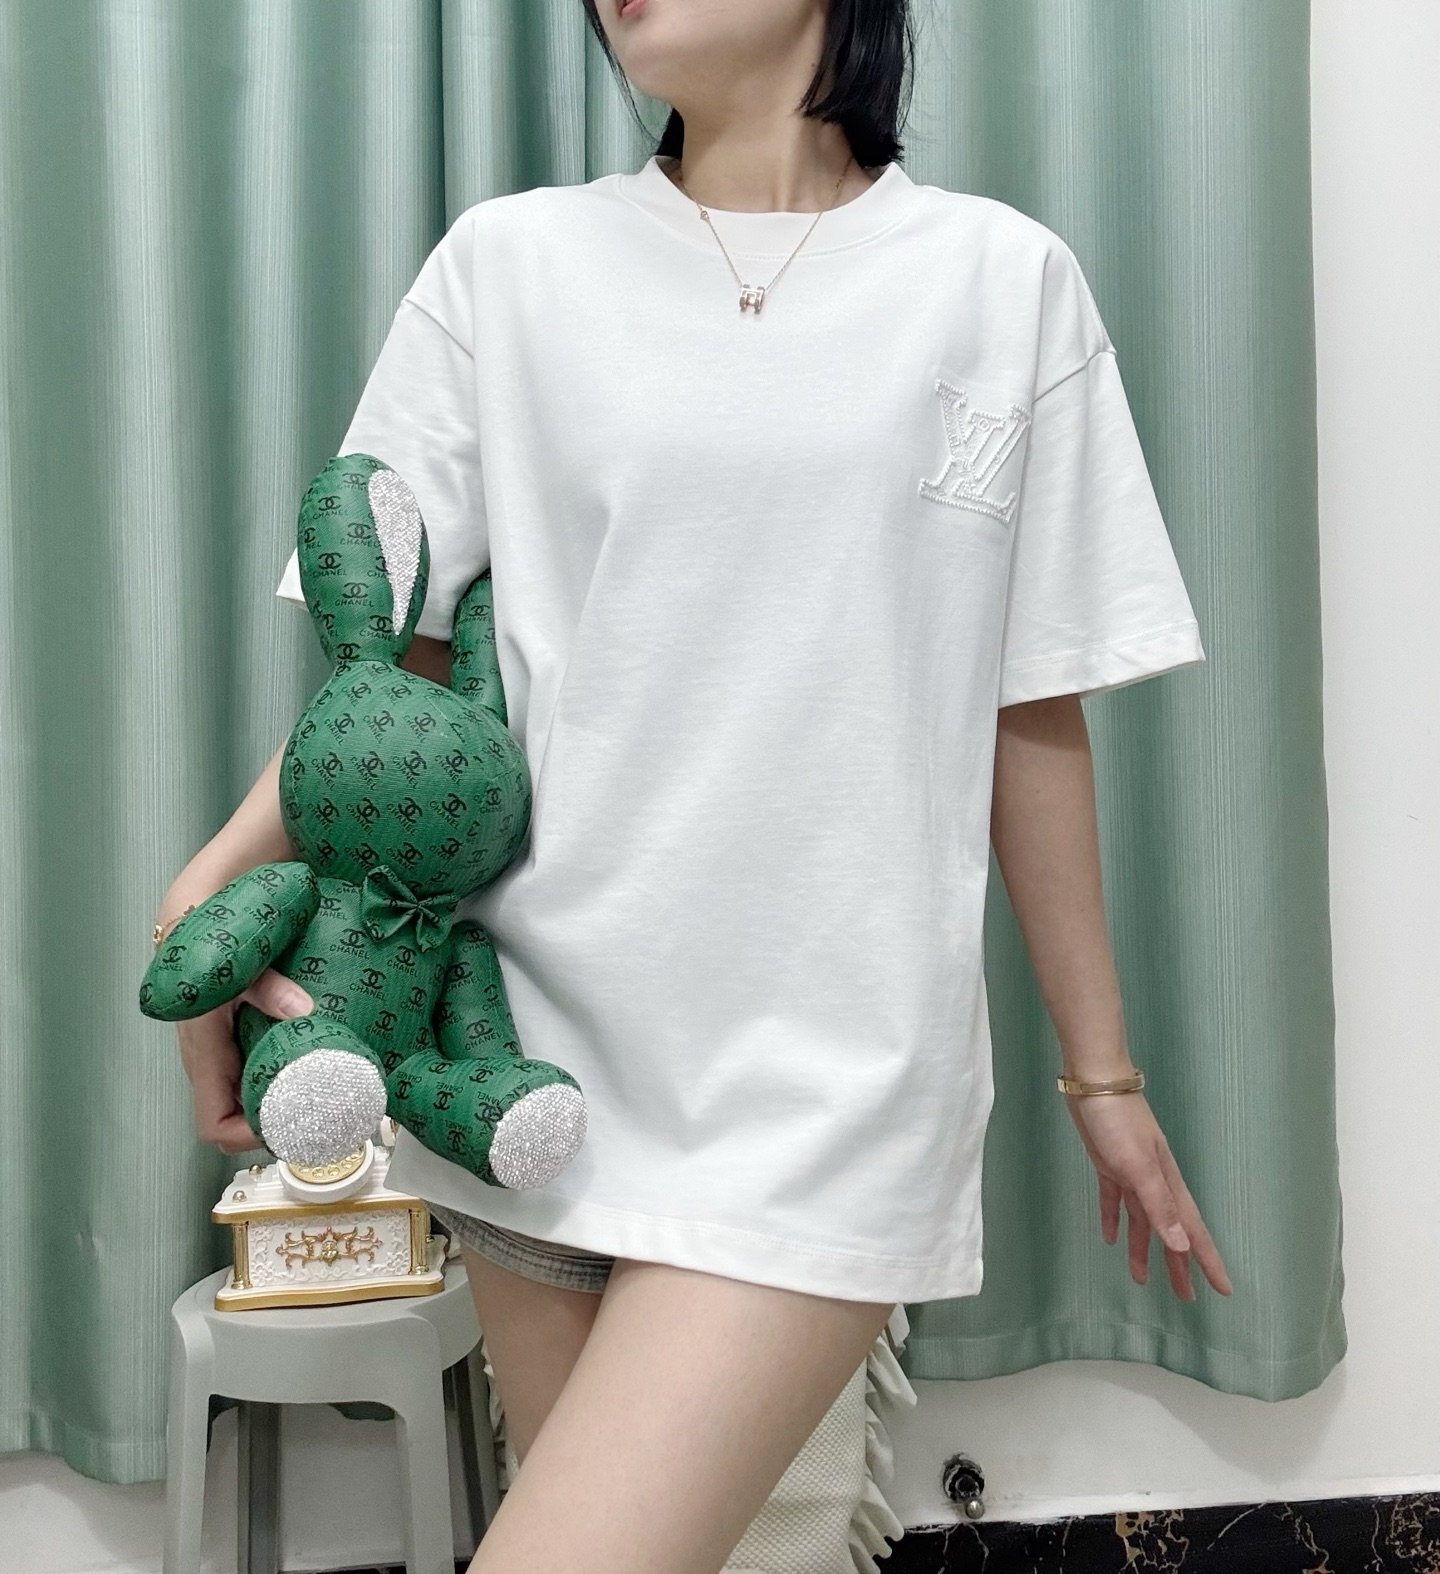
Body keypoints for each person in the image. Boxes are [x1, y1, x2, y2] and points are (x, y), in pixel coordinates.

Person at [155, 1, 1233, 1568]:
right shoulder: (507, 268)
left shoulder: (1002, 284)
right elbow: (395, 671)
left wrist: (1104, 1073)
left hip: (829, 1089)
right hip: (523, 1070)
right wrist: (213, 876)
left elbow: (1027, 703)